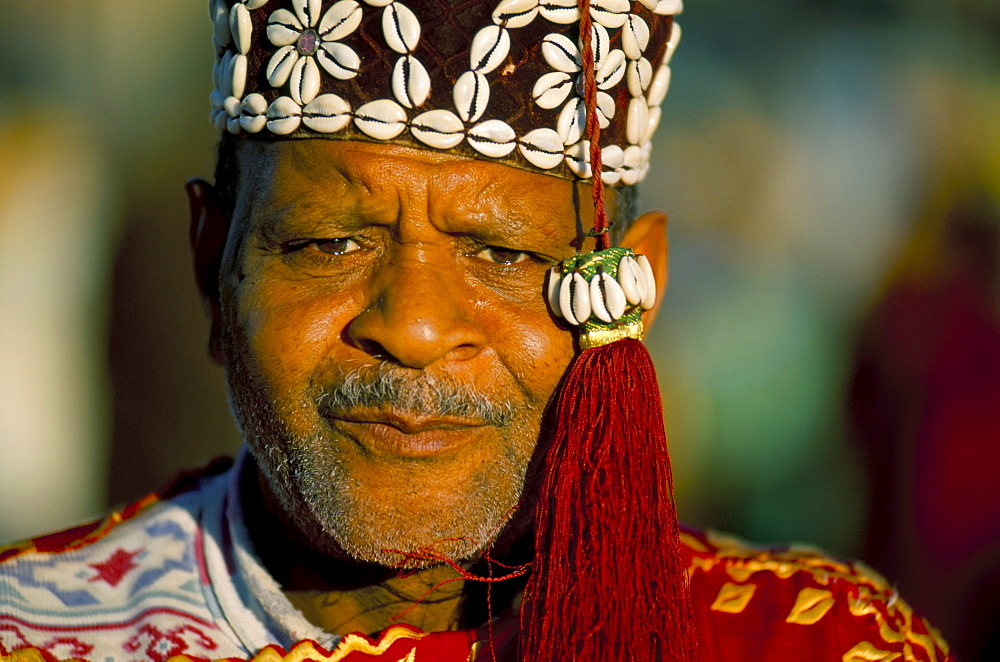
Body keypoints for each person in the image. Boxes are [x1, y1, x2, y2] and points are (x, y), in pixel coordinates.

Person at [0, 1, 955, 660]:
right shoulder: (33, 633)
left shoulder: (813, 641)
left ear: (638, 292)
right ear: (214, 268)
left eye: (501, 256)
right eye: (330, 243)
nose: (413, 327)